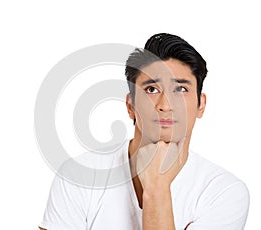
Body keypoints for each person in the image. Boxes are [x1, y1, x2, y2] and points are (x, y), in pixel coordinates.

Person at [39, 33, 250, 229]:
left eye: (181, 89)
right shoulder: (78, 175)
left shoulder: (224, 192)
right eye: (151, 89)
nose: (165, 105)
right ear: (130, 106)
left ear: (200, 105)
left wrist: (156, 187)